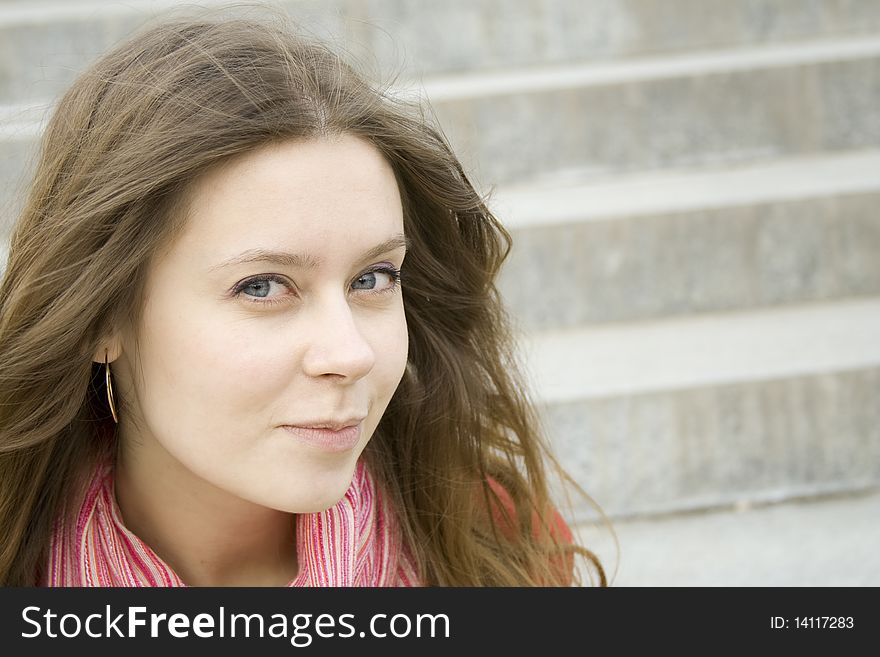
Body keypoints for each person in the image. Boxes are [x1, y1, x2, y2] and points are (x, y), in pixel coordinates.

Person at [0, 9, 607, 587]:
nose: (351, 353)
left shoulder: (492, 539)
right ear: (102, 317)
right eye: (262, 286)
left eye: (373, 278)